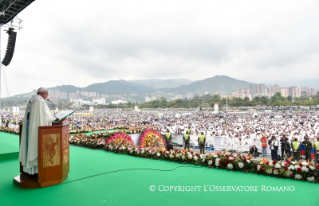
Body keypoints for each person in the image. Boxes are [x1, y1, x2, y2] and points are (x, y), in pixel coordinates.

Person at [19, 87, 56, 175]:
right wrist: (53, 118)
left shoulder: (32, 99)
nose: (46, 97)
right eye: (46, 95)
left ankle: (28, 171)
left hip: (30, 127)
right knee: (36, 146)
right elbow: (47, 117)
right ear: (43, 94)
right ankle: (36, 171)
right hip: (36, 129)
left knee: (30, 147)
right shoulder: (40, 101)